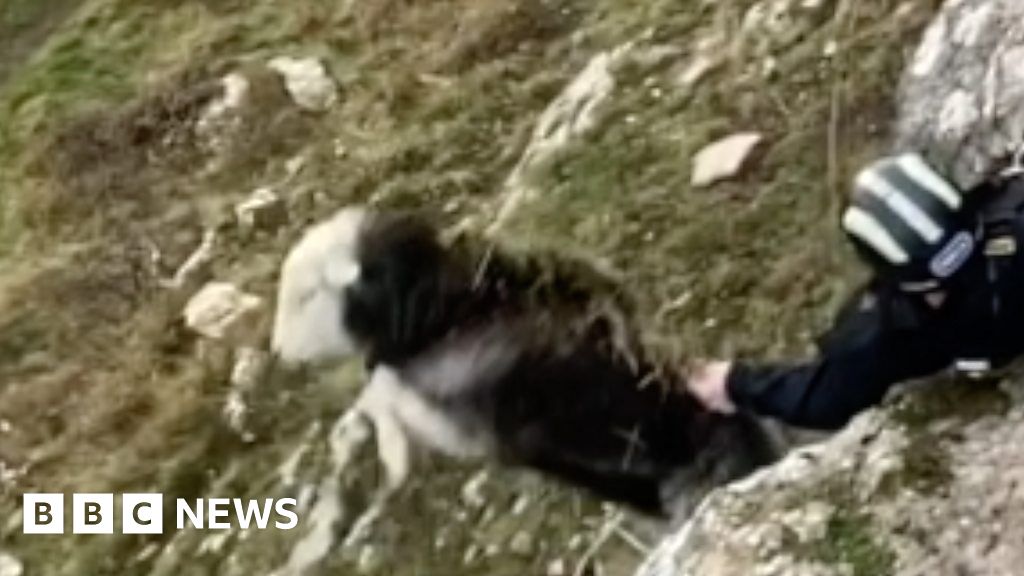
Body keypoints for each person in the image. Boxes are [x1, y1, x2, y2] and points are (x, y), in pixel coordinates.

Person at [687, 152, 1024, 430]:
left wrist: (734, 383)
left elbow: (823, 397)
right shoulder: (1011, 214)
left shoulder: (904, 330)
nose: (969, 284)